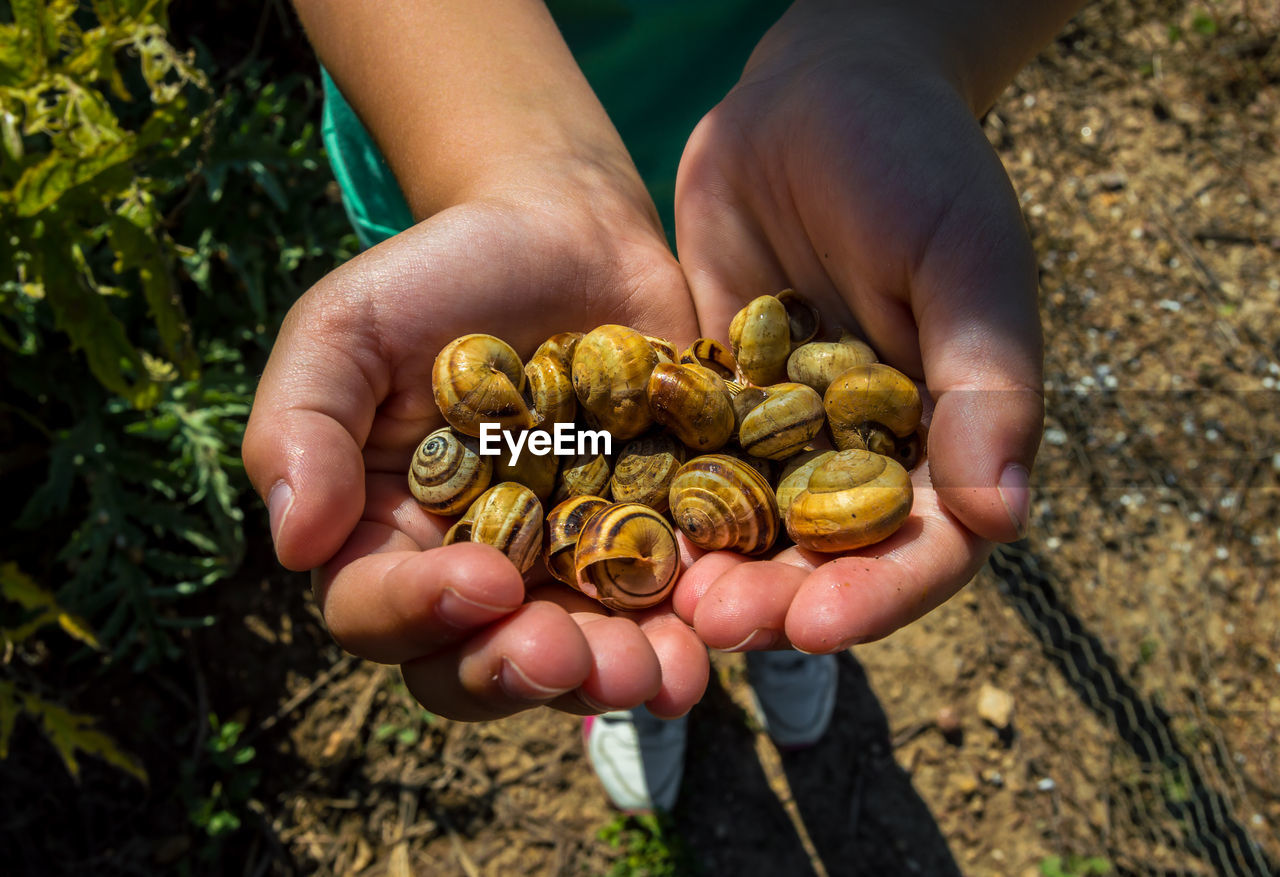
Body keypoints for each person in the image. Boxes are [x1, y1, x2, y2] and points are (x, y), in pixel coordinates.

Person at [244, 0, 1083, 812]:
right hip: (449, 140)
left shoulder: (714, 407)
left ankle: (766, 635)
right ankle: (656, 642)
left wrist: (894, 35)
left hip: (793, 164)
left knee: (769, 598)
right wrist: (511, 174)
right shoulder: (549, 415)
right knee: (630, 632)